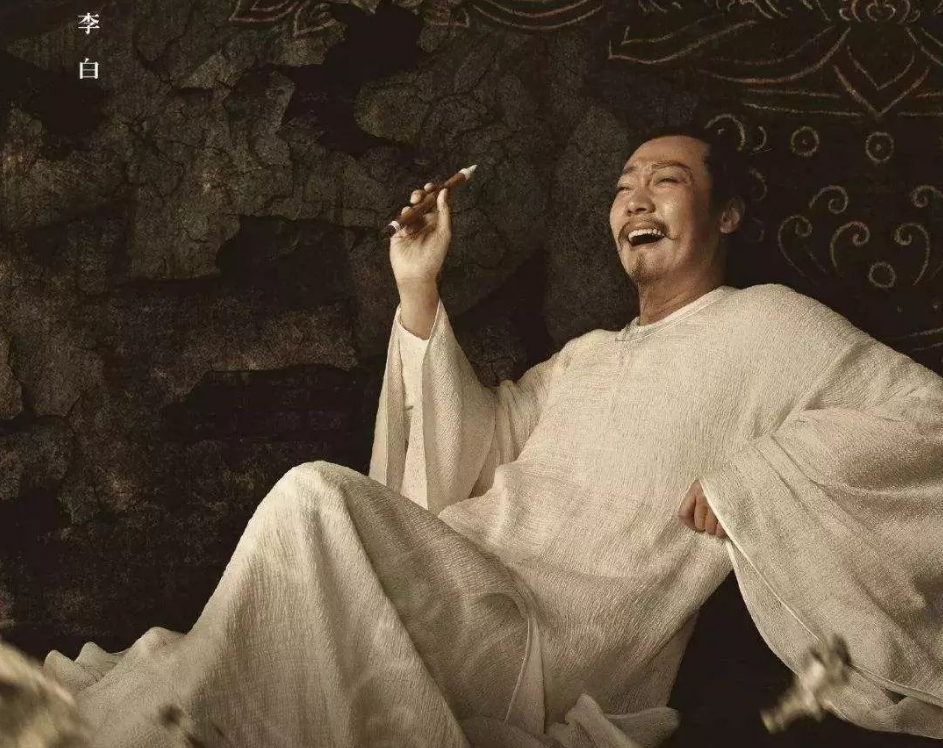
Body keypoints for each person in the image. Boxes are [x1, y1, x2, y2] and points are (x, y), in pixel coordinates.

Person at [43, 128, 943, 748]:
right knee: (280, 589)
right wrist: (418, 289)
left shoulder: (770, 325)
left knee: (314, 498)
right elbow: (468, 452)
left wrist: (758, 476)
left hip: (548, 637)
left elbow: (923, 416)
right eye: (622, 185)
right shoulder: (587, 355)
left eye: (665, 180)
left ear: (727, 214)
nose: (635, 197)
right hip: (468, 578)